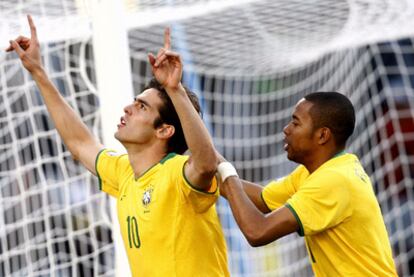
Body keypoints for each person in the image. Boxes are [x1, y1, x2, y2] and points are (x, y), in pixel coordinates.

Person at [7, 15, 229, 276]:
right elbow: (80, 143)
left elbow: (206, 164)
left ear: (164, 130)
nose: (128, 108)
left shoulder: (178, 173)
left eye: (142, 106)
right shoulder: (125, 172)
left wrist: (175, 90)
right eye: (135, 102)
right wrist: (38, 71)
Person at [217, 92, 398, 276]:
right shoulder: (316, 171)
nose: (286, 129)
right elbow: (264, 200)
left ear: (322, 135)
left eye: (296, 123)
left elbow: (257, 231)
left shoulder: (333, 181)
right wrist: (208, 168)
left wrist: (225, 170)